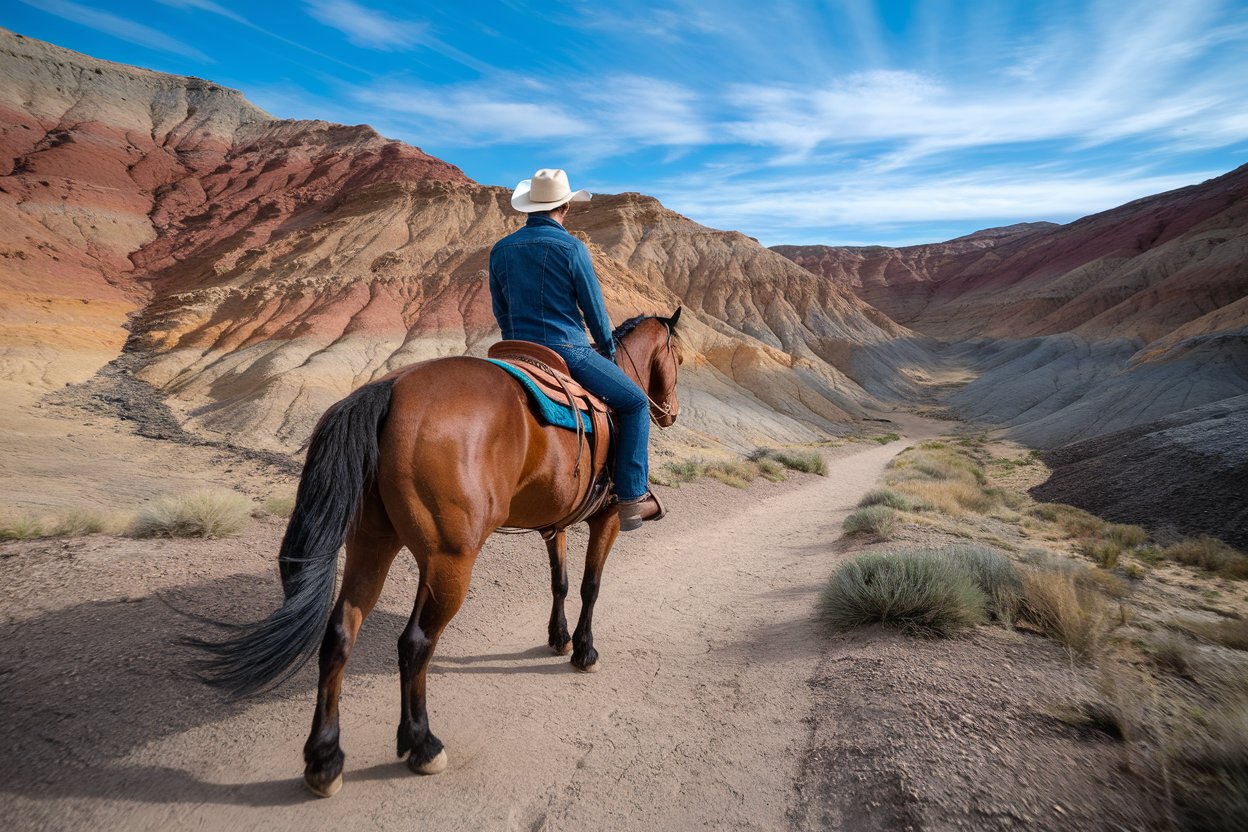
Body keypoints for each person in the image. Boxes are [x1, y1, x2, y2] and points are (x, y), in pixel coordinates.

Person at [488, 168, 663, 531]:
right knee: (634, 404)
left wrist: (514, 346)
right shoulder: (571, 248)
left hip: (512, 349)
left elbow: (501, 307)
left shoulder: (501, 250)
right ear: (565, 207)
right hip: (567, 348)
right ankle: (631, 497)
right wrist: (609, 352)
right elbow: (595, 310)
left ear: (529, 207)